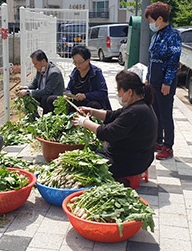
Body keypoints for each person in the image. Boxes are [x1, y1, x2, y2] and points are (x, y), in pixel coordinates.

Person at [72, 70, 158, 185]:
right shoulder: (140, 104)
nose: (118, 94)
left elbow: (106, 133)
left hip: (130, 163)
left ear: (130, 92)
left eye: (119, 90)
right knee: (92, 150)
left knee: (84, 160)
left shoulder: (135, 112)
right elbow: (112, 115)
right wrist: (92, 111)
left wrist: (84, 122)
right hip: (140, 157)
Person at [144, 2, 181, 160]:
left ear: (160, 18)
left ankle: (168, 146)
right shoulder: (156, 35)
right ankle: (158, 140)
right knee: (155, 112)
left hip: (165, 82)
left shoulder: (173, 35)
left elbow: (174, 61)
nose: (150, 24)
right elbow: (152, 59)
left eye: (151, 20)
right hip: (154, 81)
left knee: (166, 114)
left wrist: (167, 82)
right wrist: (147, 78)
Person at [49, 45, 112, 112]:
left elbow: (103, 93)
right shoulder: (75, 72)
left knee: (93, 105)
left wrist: (85, 96)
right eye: (75, 62)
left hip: (89, 102)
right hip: (75, 102)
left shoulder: (96, 73)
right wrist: (69, 94)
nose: (77, 65)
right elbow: (68, 88)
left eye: (80, 62)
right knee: (51, 99)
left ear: (88, 60)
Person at [16, 49, 65, 114]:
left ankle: (47, 117)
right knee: (28, 97)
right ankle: (33, 117)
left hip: (53, 99)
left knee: (44, 98)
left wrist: (27, 92)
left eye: (36, 64)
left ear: (43, 61)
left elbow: (47, 91)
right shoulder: (40, 70)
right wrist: (25, 88)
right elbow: (34, 85)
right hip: (44, 96)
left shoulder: (54, 73)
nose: (35, 66)